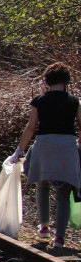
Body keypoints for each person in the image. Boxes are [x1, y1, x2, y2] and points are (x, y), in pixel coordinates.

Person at [12, 62, 81, 248]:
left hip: (44, 146)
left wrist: (19, 150)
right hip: (67, 148)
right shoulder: (74, 101)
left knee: (42, 185)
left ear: (47, 81)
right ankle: (59, 238)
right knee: (63, 193)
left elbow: (31, 127)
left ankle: (44, 227)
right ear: (66, 81)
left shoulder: (39, 100)